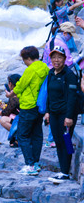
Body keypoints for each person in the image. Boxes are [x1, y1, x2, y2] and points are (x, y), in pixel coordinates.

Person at [8, 46, 50, 176]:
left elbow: (20, 86)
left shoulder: (30, 70)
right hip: (40, 106)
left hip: (28, 106)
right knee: (37, 134)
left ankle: (29, 164)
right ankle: (36, 163)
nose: (24, 62)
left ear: (28, 58)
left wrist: (10, 94)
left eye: (24, 60)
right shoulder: (45, 68)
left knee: (23, 135)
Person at [44, 46, 80, 183]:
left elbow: (72, 97)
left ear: (65, 59)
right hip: (54, 114)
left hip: (66, 114)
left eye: (59, 57)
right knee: (58, 141)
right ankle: (63, 170)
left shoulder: (69, 75)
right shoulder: (51, 73)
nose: (56, 60)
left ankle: (65, 172)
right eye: (54, 57)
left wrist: (69, 116)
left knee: (66, 141)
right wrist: (47, 112)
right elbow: (49, 94)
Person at [0, 74, 22, 148]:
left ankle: (19, 136)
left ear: (11, 84)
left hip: (21, 120)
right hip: (25, 117)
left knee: (3, 120)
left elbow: (4, 113)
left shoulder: (14, 97)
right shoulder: (21, 93)